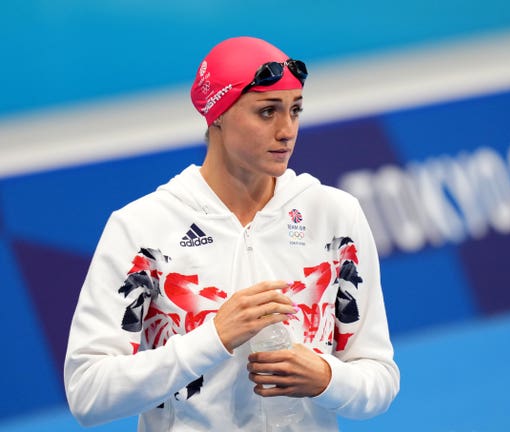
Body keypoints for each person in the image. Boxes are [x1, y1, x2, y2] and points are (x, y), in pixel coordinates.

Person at [64, 36, 400, 431]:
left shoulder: (334, 216)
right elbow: (88, 394)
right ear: (217, 115)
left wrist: (329, 379)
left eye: (295, 110)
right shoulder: (142, 229)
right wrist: (214, 338)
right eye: (267, 112)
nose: (287, 130)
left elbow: (379, 377)